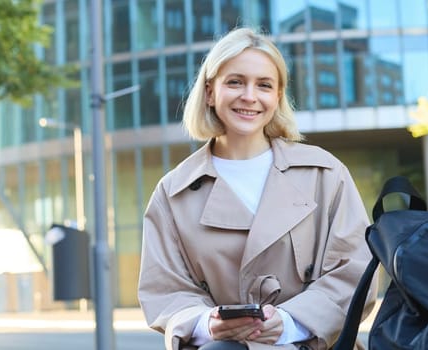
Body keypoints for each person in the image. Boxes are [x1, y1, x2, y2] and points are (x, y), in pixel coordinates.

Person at [138, 27, 375, 350]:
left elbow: (355, 270)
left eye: (264, 85)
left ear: (277, 96)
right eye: (235, 82)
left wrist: (290, 323)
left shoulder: (324, 174)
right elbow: (164, 287)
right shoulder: (173, 192)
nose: (249, 96)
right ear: (210, 92)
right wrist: (208, 324)